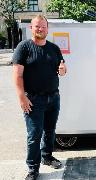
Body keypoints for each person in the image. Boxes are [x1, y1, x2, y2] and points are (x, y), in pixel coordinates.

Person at [12, 15, 67, 180]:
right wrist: (22, 97)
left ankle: (47, 156)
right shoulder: (24, 47)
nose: (40, 29)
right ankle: (33, 168)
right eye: (37, 26)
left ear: (47, 29)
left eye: (43, 26)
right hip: (34, 100)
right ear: (31, 28)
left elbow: (62, 67)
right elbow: (17, 75)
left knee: (50, 131)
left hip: (53, 97)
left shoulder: (54, 48)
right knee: (34, 134)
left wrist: (63, 68)